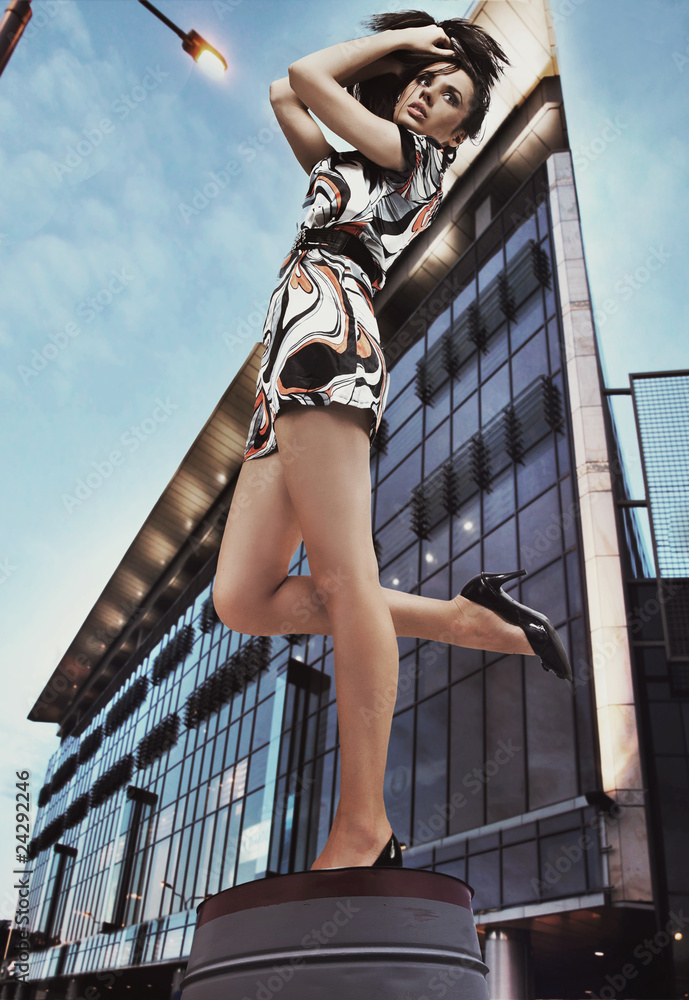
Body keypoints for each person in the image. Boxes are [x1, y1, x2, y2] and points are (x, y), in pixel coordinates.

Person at [213, 10, 573, 873]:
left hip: (329, 344)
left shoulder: (412, 161)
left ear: (457, 130)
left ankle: (365, 824)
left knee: (344, 580)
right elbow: (280, 93)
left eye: (449, 96)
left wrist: (406, 45)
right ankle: (463, 618)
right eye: (423, 82)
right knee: (241, 599)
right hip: (287, 359)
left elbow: (305, 73)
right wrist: (410, 52)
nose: (428, 97)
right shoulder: (356, 164)